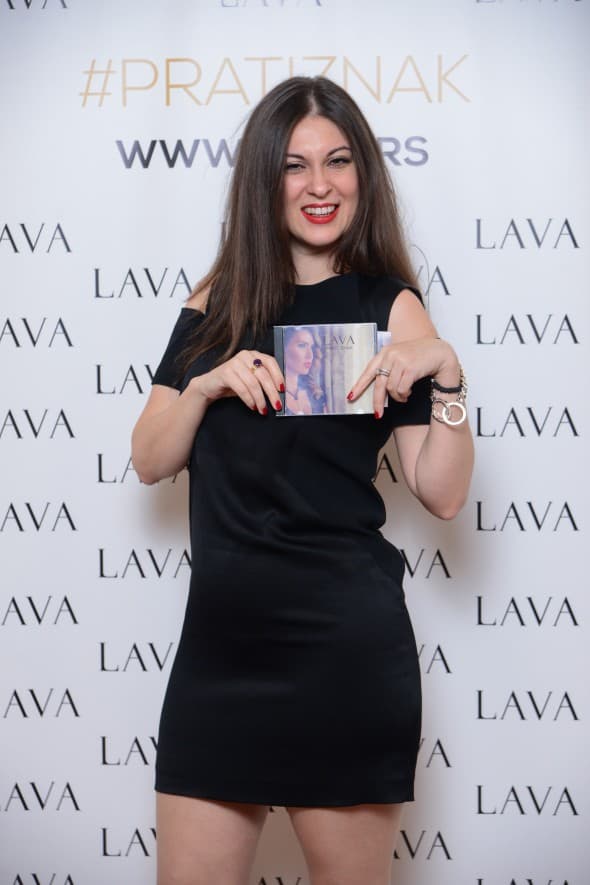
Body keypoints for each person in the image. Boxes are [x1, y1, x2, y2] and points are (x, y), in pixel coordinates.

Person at [131, 75, 474, 885]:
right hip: (221, 654)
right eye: (294, 165)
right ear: (265, 179)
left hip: (344, 652)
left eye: (338, 160)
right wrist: (205, 386)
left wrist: (449, 375)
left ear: (362, 174)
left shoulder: (389, 306)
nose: (320, 184)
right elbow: (149, 457)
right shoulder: (217, 301)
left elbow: (442, 492)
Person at [283, 326, 326, 415]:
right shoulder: (271, 392)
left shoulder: (316, 395)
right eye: (302, 345)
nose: (310, 355)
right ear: (284, 349)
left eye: (312, 348)